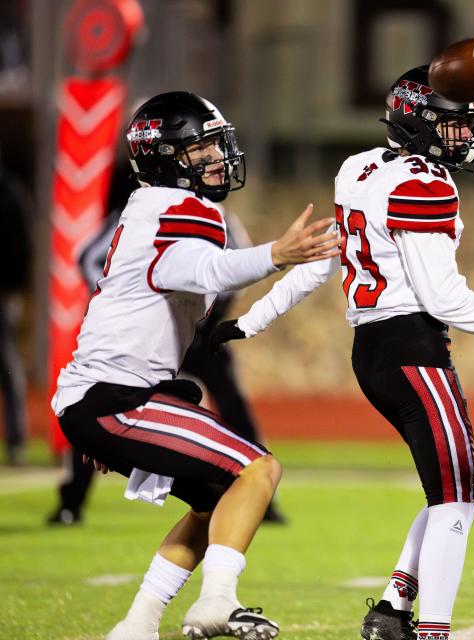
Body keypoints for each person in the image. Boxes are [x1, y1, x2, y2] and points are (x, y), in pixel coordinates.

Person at [209, 65, 474, 640]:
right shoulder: (425, 183)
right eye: (458, 125)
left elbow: (321, 262)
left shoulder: (358, 167)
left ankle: (393, 607)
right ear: (422, 122)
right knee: (456, 496)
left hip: (375, 352)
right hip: (412, 349)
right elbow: (445, 298)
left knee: (467, 484)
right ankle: (432, 631)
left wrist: (249, 323)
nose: (467, 138)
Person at [50, 91, 339, 640]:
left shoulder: (153, 206)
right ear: (164, 157)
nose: (215, 159)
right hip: (116, 396)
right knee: (259, 470)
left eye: (214, 146)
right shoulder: (175, 207)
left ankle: (137, 624)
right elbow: (197, 267)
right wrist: (276, 256)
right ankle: (217, 602)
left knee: (213, 500)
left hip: (113, 393)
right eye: (200, 149)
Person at [48, 164, 286, 525]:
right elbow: (229, 267)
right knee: (108, 410)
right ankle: (72, 501)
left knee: (230, 403)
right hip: (144, 340)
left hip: (190, 334)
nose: (217, 165)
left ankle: (256, 494)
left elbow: (231, 267)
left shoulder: (184, 212)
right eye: (202, 154)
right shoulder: (161, 212)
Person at [0, 153, 29, 465]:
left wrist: (12, 290)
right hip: (7, 291)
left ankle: (16, 441)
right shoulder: (11, 193)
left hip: (3, 293)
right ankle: (15, 442)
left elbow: (21, 248)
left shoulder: (9, 195)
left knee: (9, 367)